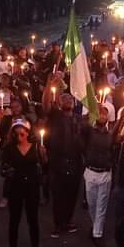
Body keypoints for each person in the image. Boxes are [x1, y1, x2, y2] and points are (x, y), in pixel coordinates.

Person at [0, 120, 47, 247]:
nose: (19, 135)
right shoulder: (9, 149)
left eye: (22, 132)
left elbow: (44, 166)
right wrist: (9, 171)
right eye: (16, 132)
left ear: (28, 133)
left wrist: (44, 156)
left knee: (33, 221)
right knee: (14, 221)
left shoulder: (37, 147)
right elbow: (3, 169)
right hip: (15, 189)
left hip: (32, 189)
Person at [43, 74, 83, 237]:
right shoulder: (55, 116)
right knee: (58, 194)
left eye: (70, 99)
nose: (67, 100)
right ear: (59, 103)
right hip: (57, 161)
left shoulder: (78, 119)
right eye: (64, 99)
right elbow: (45, 104)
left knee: (72, 193)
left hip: (75, 162)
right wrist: (49, 84)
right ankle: (58, 224)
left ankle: (68, 221)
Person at [81, 106, 114, 247]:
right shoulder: (89, 132)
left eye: (105, 114)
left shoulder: (110, 135)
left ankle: (97, 234)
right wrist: (89, 114)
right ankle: (96, 227)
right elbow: (83, 126)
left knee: (101, 206)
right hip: (90, 172)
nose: (102, 115)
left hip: (105, 173)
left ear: (107, 118)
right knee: (92, 204)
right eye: (99, 113)